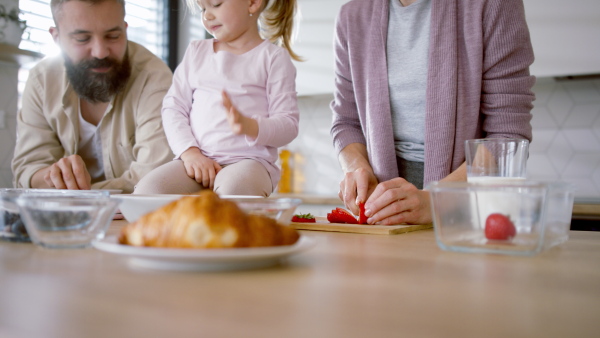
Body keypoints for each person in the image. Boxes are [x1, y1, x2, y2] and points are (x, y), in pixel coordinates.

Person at [331, 0, 535, 225]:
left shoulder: (493, 4)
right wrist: (357, 167)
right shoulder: (352, 16)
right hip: (382, 216)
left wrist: (437, 200)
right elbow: (346, 122)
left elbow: (507, 136)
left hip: (470, 213)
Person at [133, 0, 301, 197]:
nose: (207, 16)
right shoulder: (197, 52)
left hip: (249, 162)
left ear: (253, 3)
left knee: (236, 191)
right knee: (148, 192)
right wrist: (190, 152)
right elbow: (173, 108)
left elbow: (289, 125)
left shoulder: (273, 58)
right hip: (197, 160)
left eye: (216, 4)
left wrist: (250, 126)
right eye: (203, 8)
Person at [11, 0, 173, 194]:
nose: (100, 52)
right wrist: (52, 176)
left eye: (113, 36)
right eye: (82, 39)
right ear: (57, 38)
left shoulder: (155, 78)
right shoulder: (41, 81)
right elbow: (27, 170)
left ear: (125, 30)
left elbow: (154, 179)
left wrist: (74, 195)